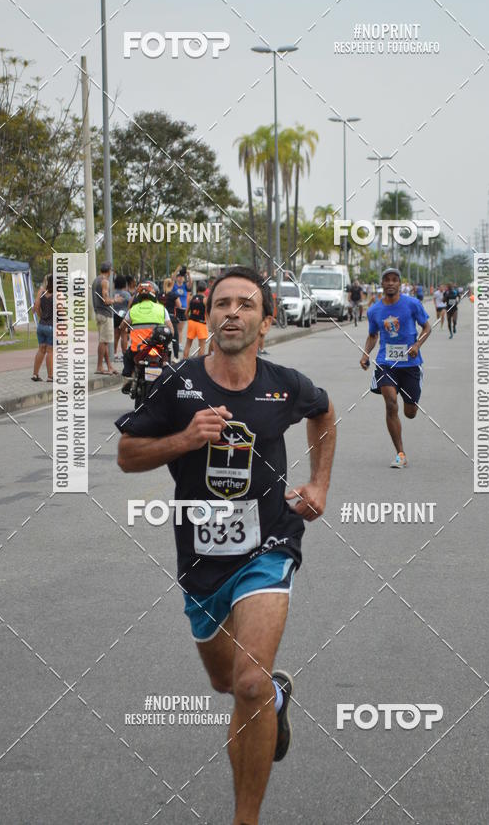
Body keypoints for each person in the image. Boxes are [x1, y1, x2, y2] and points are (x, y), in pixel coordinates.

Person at [116, 266, 336, 825]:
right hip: (200, 560)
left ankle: (245, 818)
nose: (232, 312)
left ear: (266, 321)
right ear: (207, 316)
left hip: (269, 546)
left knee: (248, 681)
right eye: (222, 304)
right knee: (226, 682)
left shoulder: (284, 383)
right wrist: (186, 438)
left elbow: (324, 414)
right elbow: (127, 454)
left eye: (245, 304)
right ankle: (277, 701)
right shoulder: (178, 384)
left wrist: (318, 486)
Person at [360, 267, 430, 468]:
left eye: (394, 280)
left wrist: (417, 345)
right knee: (391, 403)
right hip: (386, 363)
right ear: (382, 284)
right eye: (387, 280)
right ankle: (401, 453)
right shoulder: (374, 310)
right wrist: (366, 354)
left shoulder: (412, 304)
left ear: (400, 284)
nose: (390, 283)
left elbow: (427, 328)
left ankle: (413, 396)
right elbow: (373, 335)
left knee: (410, 412)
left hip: (410, 364)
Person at [120, 281, 174, 391]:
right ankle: (168, 381)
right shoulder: (161, 309)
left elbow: (122, 328)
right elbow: (171, 330)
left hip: (138, 350)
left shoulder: (132, 310)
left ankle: (129, 379)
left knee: (127, 356)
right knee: (167, 359)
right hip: (158, 349)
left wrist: (124, 348)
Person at [92, 261, 117, 375]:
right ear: (109, 270)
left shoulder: (95, 280)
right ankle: (99, 367)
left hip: (98, 313)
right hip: (105, 314)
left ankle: (109, 366)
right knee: (103, 341)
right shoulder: (105, 281)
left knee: (104, 341)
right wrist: (115, 300)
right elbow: (106, 300)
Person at [31, 274, 54, 382]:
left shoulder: (41, 292)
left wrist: (42, 316)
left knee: (41, 349)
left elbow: (35, 307)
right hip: (52, 326)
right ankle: (50, 376)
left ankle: (35, 374)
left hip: (41, 326)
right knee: (50, 351)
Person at [183, 280, 209, 358]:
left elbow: (186, 313)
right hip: (201, 323)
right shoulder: (205, 299)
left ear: (197, 288)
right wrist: (208, 323)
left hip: (191, 321)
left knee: (188, 344)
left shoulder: (191, 298)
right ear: (205, 289)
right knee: (202, 345)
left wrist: (190, 320)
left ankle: (184, 361)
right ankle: (199, 363)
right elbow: (207, 313)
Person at [172, 265, 192, 346]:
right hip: (176, 309)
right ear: (177, 278)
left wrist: (188, 274)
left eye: (182, 277)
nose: (180, 278)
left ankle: (179, 344)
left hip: (183, 309)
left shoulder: (184, 286)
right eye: (179, 277)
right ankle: (175, 343)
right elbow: (172, 279)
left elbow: (190, 283)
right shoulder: (174, 286)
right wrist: (177, 270)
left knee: (180, 329)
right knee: (174, 328)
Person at [163, 276, 182, 360]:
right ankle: (176, 357)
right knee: (175, 338)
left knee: (162, 338)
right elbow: (179, 305)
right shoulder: (173, 294)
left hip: (161, 317)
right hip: (171, 318)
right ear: (172, 285)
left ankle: (164, 356)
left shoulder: (160, 294)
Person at [112, 274, 131, 359]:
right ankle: (124, 353)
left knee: (116, 335)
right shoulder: (126, 294)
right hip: (123, 316)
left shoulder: (112, 293)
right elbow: (130, 304)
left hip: (115, 315)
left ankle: (114, 353)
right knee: (124, 335)